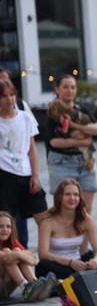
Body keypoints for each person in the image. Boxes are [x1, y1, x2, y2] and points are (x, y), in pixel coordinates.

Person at [36, 179, 97, 289]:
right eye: (68, 194)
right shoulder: (47, 222)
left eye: (76, 195)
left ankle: (68, 283)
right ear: (60, 197)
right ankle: (92, 282)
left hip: (80, 264)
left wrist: (95, 261)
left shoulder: (86, 219)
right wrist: (70, 262)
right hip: (59, 264)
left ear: (80, 198)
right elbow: (43, 254)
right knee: (42, 267)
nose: (72, 198)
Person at [0, 78, 47, 249]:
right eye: (4, 96)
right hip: (4, 174)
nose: (9, 99)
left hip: (26, 172)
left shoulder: (26, 118)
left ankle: (47, 253)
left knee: (42, 214)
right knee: (9, 220)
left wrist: (35, 175)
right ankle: (16, 255)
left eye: (12, 94)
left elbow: (32, 149)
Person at [46, 75, 97, 213]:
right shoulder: (53, 111)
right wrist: (82, 141)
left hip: (86, 161)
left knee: (86, 210)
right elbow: (54, 142)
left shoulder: (82, 110)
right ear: (57, 89)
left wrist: (74, 125)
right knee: (63, 210)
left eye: (73, 87)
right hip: (61, 162)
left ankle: (84, 235)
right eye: (65, 87)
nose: (69, 90)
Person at [0, 211, 57, 302]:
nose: (5, 230)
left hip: (5, 288)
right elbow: (5, 257)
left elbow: (33, 260)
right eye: (1, 226)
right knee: (11, 253)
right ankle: (27, 287)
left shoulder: (12, 242)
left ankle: (34, 285)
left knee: (18, 252)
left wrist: (20, 254)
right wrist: (19, 254)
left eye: (8, 227)